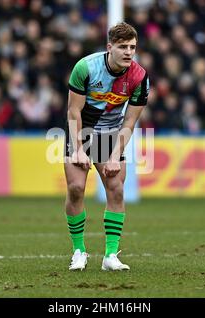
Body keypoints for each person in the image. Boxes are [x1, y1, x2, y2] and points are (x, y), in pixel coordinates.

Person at [64, 22, 149, 271]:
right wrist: (78, 148)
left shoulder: (139, 77)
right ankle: (79, 251)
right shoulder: (85, 68)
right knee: (76, 188)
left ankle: (110, 256)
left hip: (111, 133)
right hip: (81, 129)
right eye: (123, 47)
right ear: (109, 47)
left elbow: (130, 121)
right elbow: (73, 110)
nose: (128, 52)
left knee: (116, 190)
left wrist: (113, 155)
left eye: (132, 47)